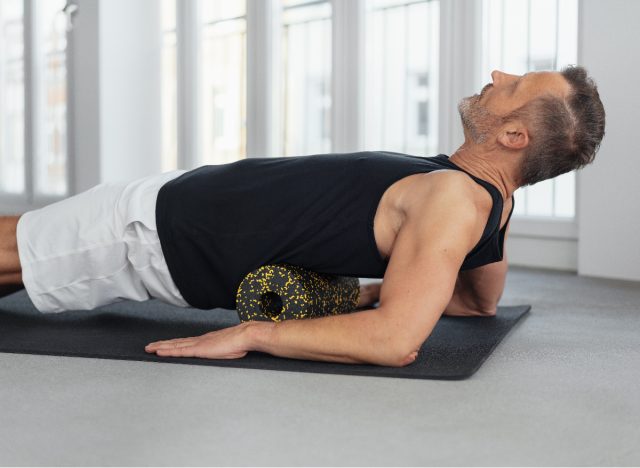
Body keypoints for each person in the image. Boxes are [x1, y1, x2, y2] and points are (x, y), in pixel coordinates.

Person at [0, 66, 605, 367]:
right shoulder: (491, 202)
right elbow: (478, 304)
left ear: (514, 133)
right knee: (20, 259)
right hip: (173, 210)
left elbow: (398, 340)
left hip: (159, 233)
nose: (498, 75)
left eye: (516, 83)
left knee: (13, 246)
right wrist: (376, 292)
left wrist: (254, 333)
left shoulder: (453, 199)